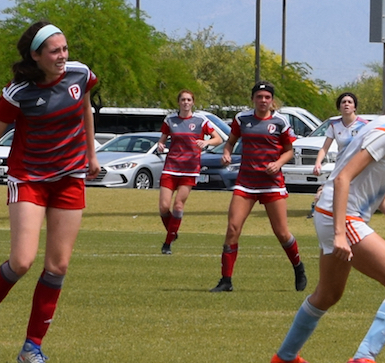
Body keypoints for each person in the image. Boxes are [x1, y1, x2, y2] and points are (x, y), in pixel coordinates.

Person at [269, 72, 385, 363]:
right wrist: (339, 234)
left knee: (328, 294)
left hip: (332, 213)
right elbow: (344, 177)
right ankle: (363, 358)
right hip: (341, 217)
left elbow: (375, 190)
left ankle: (285, 357)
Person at [0, 20, 100, 363]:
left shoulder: (81, 74)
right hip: (29, 180)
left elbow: (85, 109)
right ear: (36, 56)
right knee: (22, 261)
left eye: (65, 49)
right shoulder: (17, 93)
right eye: (55, 51)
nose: (63, 56)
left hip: (70, 178)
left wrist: (91, 154)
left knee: (58, 267)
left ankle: (32, 348)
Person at [210, 81, 306, 293]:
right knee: (233, 228)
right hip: (246, 182)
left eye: (267, 97)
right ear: (253, 98)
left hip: (271, 184)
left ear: (272, 100)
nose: (263, 101)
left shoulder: (280, 121)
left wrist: (278, 163)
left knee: (281, 233)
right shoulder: (242, 119)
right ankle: (226, 280)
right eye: (259, 97)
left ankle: (298, 267)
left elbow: (289, 151)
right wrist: (226, 153)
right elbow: (230, 142)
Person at [155, 89, 224, 254]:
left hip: (190, 169)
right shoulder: (170, 120)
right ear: (178, 102)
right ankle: (173, 231)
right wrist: (160, 145)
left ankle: (167, 243)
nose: (186, 103)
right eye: (183, 100)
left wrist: (206, 143)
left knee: (178, 205)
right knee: (164, 207)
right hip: (171, 167)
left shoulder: (200, 120)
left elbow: (218, 139)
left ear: (193, 102)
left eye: (188, 100)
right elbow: (162, 139)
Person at [307, 91, 368, 218]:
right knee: (329, 191)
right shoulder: (334, 125)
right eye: (343, 102)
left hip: (358, 166)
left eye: (350, 102)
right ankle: (321, 212)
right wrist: (318, 164)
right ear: (339, 107)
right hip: (341, 166)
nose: (346, 104)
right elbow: (324, 148)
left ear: (354, 107)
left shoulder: (364, 125)